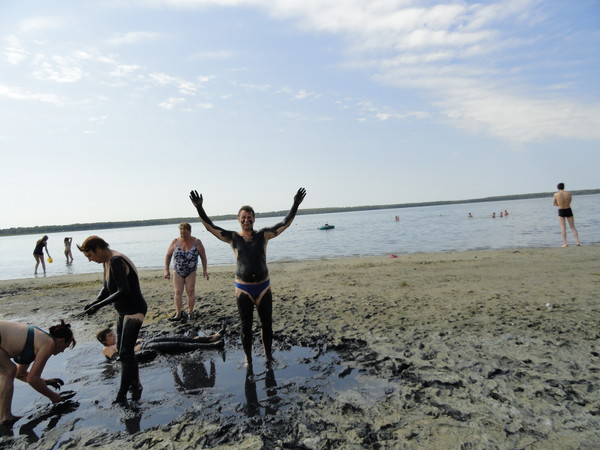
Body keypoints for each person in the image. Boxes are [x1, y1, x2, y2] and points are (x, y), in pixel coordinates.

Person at [190, 187, 306, 366]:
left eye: (249, 217)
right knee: (246, 327)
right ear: (239, 220)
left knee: (266, 324)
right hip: (243, 289)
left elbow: (285, 223)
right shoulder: (232, 238)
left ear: (254, 219)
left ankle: (268, 356)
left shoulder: (263, 235)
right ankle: (248, 359)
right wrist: (199, 208)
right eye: (243, 217)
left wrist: (295, 204)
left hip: (263, 287)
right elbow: (210, 227)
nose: (246, 220)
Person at [77, 236, 147, 403]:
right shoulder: (107, 261)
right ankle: (135, 384)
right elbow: (107, 287)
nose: (89, 260)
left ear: (98, 249)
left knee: (125, 352)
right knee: (125, 351)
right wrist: (95, 301)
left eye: (89, 256)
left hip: (134, 310)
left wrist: (100, 305)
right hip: (123, 312)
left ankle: (121, 395)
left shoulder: (116, 260)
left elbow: (124, 290)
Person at [0, 320, 76, 425]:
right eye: (65, 347)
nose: (62, 351)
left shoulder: (36, 342)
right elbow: (32, 379)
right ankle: (5, 417)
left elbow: (20, 374)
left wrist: (45, 382)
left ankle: (4, 415)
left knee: (9, 370)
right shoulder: (48, 343)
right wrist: (54, 397)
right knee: (8, 370)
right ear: (62, 341)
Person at [96, 325, 225, 362]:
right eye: (110, 336)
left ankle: (212, 338)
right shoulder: (106, 349)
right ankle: (213, 345)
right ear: (104, 341)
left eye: (113, 334)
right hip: (146, 348)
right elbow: (118, 358)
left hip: (148, 342)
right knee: (179, 346)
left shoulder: (116, 343)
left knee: (180, 338)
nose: (114, 336)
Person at [164, 223, 209, 321]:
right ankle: (178, 313)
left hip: (191, 271)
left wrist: (205, 270)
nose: (183, 235)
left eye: (185, 233)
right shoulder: (175, 242)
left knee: (190, 291)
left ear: (190, 231)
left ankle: (190, 313)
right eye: (181, 233)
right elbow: (168, 255)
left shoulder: (197, 242)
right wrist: (166, 270)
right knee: (178, 292)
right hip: (177, 270)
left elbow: (203, 257)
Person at [553, 183, 581, 247]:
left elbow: (554, 203)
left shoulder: (556, 194)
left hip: (561, 210)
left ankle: (565, 243)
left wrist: (558, 204)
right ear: (563, 187)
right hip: (568, 209)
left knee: (563, 227)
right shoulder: (568, 193)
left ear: (557, 188)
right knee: (572, 226)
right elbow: (570, 201)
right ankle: (577, 242)